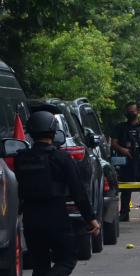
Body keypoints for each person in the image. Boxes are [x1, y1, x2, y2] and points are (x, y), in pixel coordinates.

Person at [15, 111, 100, 276]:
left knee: (40, 265)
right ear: (54, 132)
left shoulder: (21, 159)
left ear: (30, 132)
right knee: (67, 259)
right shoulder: (61, 158)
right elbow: (78, 192)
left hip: (31, 218)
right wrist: (91, 219)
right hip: (56, 216)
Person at [111, 102, 140, 222]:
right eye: (128, 111)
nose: (130, 113)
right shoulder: (120, 127)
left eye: (133, 111)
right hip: (126, 161)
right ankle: (124, 213)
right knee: (126, 189)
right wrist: (123, 149)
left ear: (138, 112)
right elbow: (114, 143)